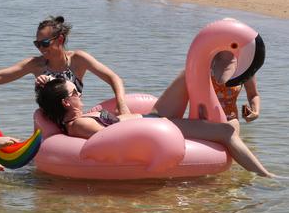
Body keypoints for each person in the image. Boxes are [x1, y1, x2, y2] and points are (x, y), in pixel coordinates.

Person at [34, 74, 274, 177]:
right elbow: (114, 139)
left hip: (152, 118)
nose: (79, 92)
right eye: (75, 91)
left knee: (189, 74)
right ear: (66, 102)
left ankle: (222, 91)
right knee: (225, 132)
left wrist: (43, 83)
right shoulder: (80, 125)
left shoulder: (82, 117)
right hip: (158, 126)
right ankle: (265, 175)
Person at [0, 16, 131, 115]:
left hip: (72, 117)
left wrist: (121, 105)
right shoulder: (36, 65)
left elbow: (113, 78)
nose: (41, 48)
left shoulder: (78, 60)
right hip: (47, 121)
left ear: (60, 39)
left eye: (44, 43)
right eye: (37, 44)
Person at [211, 51, 261, 127]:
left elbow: (253, 94)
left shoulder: (244, 65)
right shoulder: (205, 59)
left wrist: (255, 112)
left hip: (231, 123)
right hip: (204, 121)